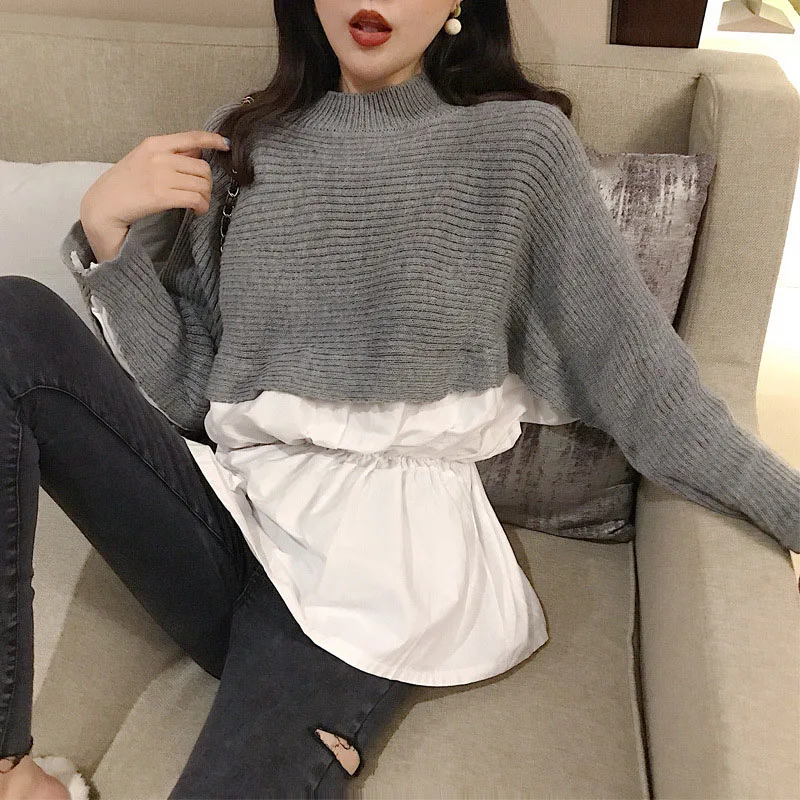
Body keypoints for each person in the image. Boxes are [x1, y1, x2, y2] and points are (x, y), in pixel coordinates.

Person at [2, 0, 799, 797]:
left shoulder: (518, 146)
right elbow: (190, 394)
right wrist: (106, 231)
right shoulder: (243, 139)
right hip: (228, 512)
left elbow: (649, 388)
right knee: (14, 319)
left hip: (372, 565)